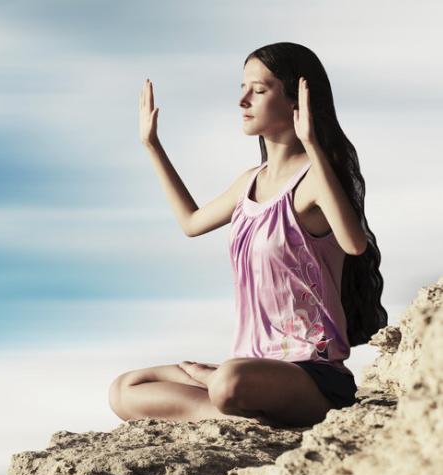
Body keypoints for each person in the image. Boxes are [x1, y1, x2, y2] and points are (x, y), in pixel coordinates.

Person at [108, 42, 388, 428]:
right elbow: (191, 223)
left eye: (258, 90)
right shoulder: (248, 182)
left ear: (297, 101)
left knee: (227, 382)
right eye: (242, 88)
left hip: (312, 377)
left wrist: (311, 143)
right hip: (250, 371)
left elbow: (354, 243)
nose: (242, 100)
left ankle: (226, 396)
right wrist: (152, 145)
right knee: (126, 388)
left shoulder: (313, 181)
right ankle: (235, 412)